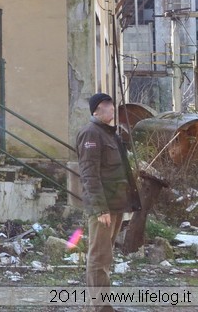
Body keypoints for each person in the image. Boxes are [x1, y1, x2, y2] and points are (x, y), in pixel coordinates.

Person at [75, 92, 141, 306]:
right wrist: (100, 208)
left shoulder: (109, 134)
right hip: (104, 208)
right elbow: (89, 174)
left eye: (112, 104)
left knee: (105, 257)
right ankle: (100, 307)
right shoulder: (91, 134)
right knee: (99, 258)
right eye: (106, 105)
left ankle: (96, 306)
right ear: (96, 110)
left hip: (115, 205)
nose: (112, 108)